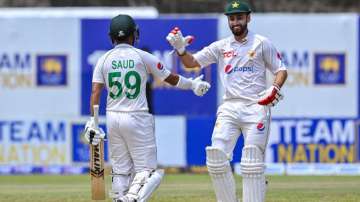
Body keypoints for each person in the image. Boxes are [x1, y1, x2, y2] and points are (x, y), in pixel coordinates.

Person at [166, 1, 288, 202]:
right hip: (229, 107)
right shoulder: (221, 46)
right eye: (232, 18)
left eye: (239, 17)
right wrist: (180, 50)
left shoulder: (261, 43)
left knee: (252, 161)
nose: (235, 22)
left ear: (248, 18)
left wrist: (275, 88)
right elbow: (191, 63)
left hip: (256, 107)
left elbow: (281, 70)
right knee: (216, 157)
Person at [83, 14, 211, 202]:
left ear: (112, 37)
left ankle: (120, 197)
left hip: (113, 118)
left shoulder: (104, 59)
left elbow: (96, 91)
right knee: (149, 171)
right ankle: (131, 199)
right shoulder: (142, 56)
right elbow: (170, 78)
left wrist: (93, 122)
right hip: (137, 117)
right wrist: (191, 84)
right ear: (134, 35)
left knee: (120, 170)